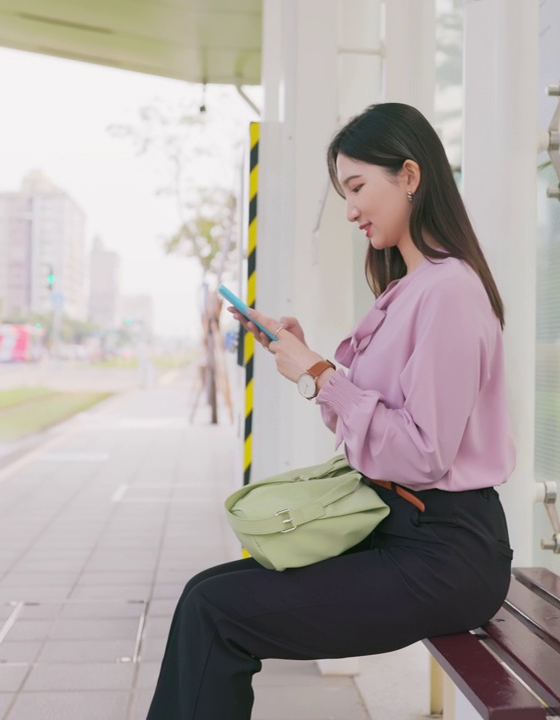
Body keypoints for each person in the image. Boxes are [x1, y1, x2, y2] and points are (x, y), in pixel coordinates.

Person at [145, 102, 516, 720]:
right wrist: (309, 361)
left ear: (410, 175)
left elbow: (422, 453)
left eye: (357, 187)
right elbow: (373, 429)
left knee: (215, 613)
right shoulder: (409, 290)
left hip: (446, 554)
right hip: (401, 528)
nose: (349, 210)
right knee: (204, 595)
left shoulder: (448, 291)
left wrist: (320, 377)